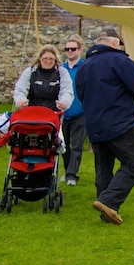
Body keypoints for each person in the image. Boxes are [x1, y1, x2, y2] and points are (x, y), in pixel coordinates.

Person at [75, 29, 134, 225]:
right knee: (133, 166)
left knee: (104, 169)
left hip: (95, 124)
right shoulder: (120, 61)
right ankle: (108, 201)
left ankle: (105, 211)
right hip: (121, 124)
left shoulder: (84, 66)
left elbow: (80, 95)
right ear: (115, 43)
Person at [12, 45, 73, 111]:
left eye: (51, 59)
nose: (48, 61)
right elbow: (20, 88)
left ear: (55, 59)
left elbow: (67, 91)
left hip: (53, 113)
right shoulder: (30, 71)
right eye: (45, 58)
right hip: (32, 112)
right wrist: (21, 100)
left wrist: (64, 102)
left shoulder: (62, 72)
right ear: (40, 59)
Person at [61, 35, 86, 186]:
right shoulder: (61, 68)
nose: (70, 52)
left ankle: (72, 174)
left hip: (80, 112)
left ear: (80, 50)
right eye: (67, 49)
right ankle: (67, 169)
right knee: (63, 145)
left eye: (73, 49)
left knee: (76, 145)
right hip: (63, 113)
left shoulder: (84, 67)